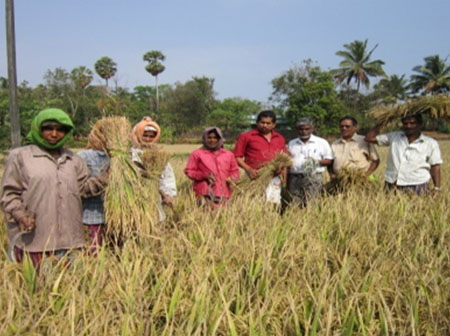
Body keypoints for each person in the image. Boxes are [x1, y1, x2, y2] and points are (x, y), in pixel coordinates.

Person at [1, 108, 108, 268]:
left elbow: (83, 189)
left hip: (71, 239)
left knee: (71, 287)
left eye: (60, 130)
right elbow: (9, 194)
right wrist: (21, 215)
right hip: (36, 239)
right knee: (38, 288)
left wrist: (107, 176)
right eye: (48, 128)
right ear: (38, 128)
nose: (54, 134)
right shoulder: (20, 157)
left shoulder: (73, 159)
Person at [365, 114, 442, 195]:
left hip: (417, 184)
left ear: (420, 124)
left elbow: (435, 166)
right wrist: (382, 123)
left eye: (412, 123)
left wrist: (437, 187)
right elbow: (368, 138)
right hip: (392, 182)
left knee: (417, 207)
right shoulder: (394, 136)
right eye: (405, 123)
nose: (408, 126)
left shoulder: (430, 143)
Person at [233, 110, 287, 204]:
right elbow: (237, 156)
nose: (264, 125)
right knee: (253, 202)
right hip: (253, 176)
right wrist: (249, 169)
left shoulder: (279, 138)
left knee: (272, 203)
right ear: (257, 123)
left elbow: (284, 158)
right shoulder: (246, 136)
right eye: (262, 122)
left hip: (274, 177)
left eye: (268, 123)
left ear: (274, 124)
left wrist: (284, 176)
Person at [131, 116, 176, 221]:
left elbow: (167, 178)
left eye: (151, 136)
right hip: (134, 198)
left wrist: (169, 195)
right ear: (138, 135)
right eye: (144, 135)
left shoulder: (159, 157)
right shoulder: (130, 155)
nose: (148, 139)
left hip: (155, 199)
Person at [185, 127, 239, 209]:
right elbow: (189, 171)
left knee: (223, 217)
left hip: (224, 193)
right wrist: (204, 175)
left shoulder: (228, 154)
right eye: (209, 137)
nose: (212, 140)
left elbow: (234, 171)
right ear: (204, 138)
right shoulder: (197, 154)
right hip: (204, 193)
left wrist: (232, 178)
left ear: (220, 139)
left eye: (215, 138)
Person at [77, 122, 110, 254]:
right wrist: (106, 177)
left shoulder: (125, 157)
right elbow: (80, 189)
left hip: (119, 221)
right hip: (92, 217)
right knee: (93, 257)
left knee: (116, 258)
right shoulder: (84, 157)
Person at [285, 117, 333, 207]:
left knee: (312, 203)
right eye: (301, 129)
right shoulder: (292, 143)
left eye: (307, 129)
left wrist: (315, 162)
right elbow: (287, 162)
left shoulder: (321, 142)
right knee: (294, 203)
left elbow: (329, 160)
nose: (304, 131)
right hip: (295, 178)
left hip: (313, 177)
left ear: (312, 128)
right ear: (297, 129)